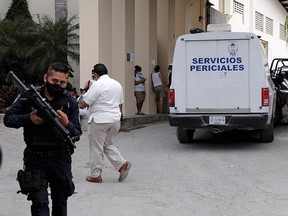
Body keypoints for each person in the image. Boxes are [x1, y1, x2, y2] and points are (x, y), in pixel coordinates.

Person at [3, 62, 82, 216]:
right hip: (35, 159)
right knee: (39, 204)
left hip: (60, 159)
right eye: (54, 81)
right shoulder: (29, 97)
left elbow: (77, 133)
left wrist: (67, 124)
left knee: (60, 203)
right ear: (46, 77)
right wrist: (28, 119)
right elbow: (8, 119)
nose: (58, 85)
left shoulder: (70, 102)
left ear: (66, 83)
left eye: (62, 82)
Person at [78, 63, 131, 183]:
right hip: (115, 119)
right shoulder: (117, 84)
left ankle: (96, 174)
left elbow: (84, 103)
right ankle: (122, 164)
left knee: (96, 147)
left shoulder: (97, 84)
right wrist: (118, 117)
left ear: (95, 74)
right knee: (108, 144)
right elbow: (120, 103)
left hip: (99, 120)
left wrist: (85, 91)